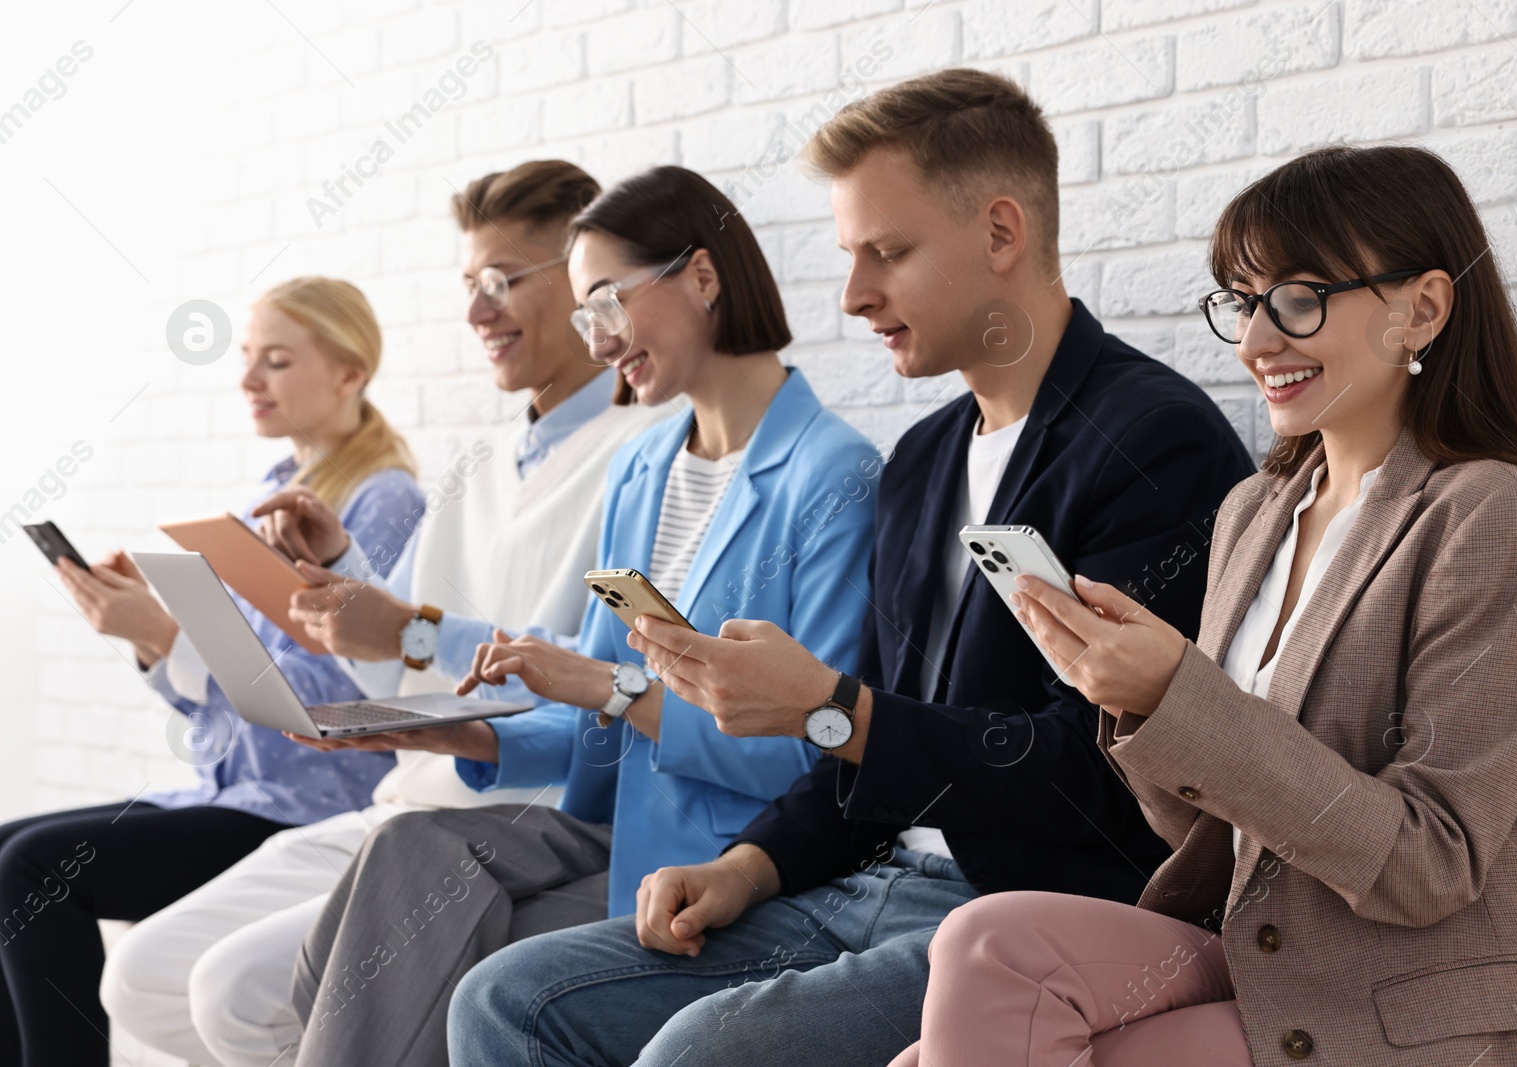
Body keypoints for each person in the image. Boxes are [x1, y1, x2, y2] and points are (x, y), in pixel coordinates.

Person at [447, 69, 1254, 1067]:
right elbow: (860, 732)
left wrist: (829, 705)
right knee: (508, 998)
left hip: (1032, 915)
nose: (853, 294)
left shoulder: (1152, 443)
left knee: (696, 1054)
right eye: (849, 255)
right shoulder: (920, 462)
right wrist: (750, 862)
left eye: (890, 252)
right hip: (867, 883)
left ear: (1001, 233)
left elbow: (1098, 778)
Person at [892, 144, 1517, 1066]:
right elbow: (1216, 833)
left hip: (1428, 995)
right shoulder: (1255, 512)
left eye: (1299, 299)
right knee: (985, 942)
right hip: (1276, 944)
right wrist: (1144, 702)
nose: (1259, 342)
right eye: (1243, 300)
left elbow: (1433, 862)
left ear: (1422, 308)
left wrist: (1185, 693)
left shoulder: (1497, 518)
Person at [277, 164, 880, 1067]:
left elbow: (814, 746)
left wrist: (609, 686)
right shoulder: (642, 471)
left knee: (386, 959)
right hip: (608, 826)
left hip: (731, 861)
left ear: (703, 277)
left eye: (605, 305)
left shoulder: (833, 475)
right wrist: (467, 737)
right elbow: (597, 705)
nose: (598, 344)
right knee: (402, 858)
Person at [98, 161, 668, 1066]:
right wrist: (343, 575)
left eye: (502, 280)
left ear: (585, 281)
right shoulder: (478, 460)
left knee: (235, 992)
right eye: (467, 286)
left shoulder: (646, 452)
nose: (478, 311)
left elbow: (603, 676)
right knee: (140, 975)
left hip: (521, 813)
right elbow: (398, 668)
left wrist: (405, 627)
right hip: (402, 797)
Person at [0, 276, 423, 1067]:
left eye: (276, 360)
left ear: (349, 372)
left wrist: (174, 636)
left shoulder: (383, 501)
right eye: (245, 358)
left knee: (33, 868)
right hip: (234, 785)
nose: (248, 380)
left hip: (309, 799)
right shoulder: (270, 495)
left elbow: (355, 693)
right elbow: (226, 701)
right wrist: (156, 641)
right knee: (7, 848)